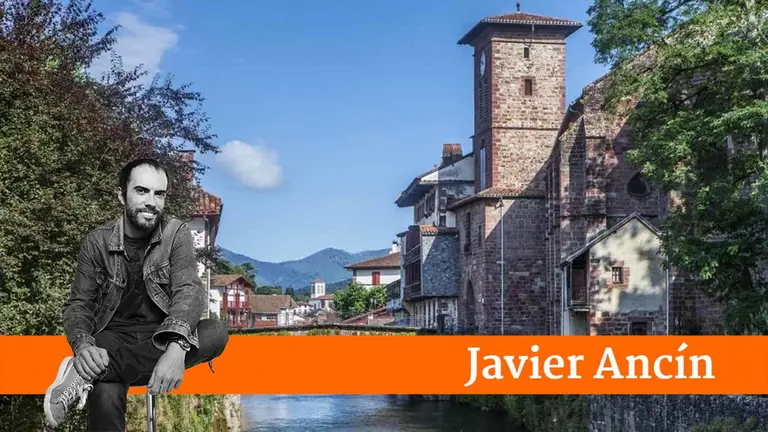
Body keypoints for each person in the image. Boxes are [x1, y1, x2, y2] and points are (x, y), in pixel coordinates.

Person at [43, 158, 229, 431]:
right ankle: (94, 368)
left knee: (215, 332)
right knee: (102, 369)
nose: (151, 202)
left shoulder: (176, 233)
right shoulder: (97, 241)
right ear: (122, 195)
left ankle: (83, 374)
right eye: (142, 191)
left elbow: (188, 290)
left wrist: (176, 348)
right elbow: (79, 305)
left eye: (159, 194)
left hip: (162, 338)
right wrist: (83, 347)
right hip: (113, 338)